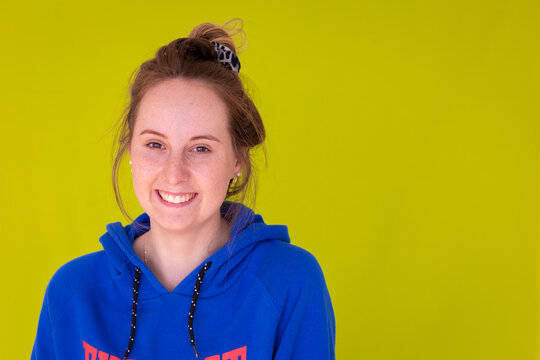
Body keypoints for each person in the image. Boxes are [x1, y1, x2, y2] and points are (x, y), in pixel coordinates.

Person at [31, 18, 335, 360]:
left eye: (200, 148)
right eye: (155, 145)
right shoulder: (72, 292)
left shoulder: (289, 283)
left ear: (237, 159)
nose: (174, 174)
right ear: (131, 150)